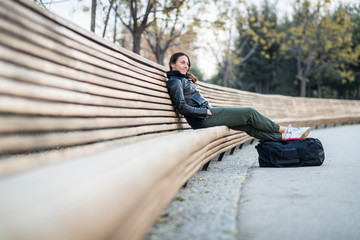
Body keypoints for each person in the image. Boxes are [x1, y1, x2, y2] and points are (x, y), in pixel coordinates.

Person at [166, 52, 311, 141]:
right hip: (204, 118)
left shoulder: (183, 79)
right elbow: (181, 107)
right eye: (182, 63)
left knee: (249, 126)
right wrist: (204, 112)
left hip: (207, 115)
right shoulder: (175, 81)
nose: (186, 66)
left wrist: (207, 110)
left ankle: (287, 137)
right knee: (249, 112)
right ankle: (286, 130)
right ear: (173, 64)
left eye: (187, 64)